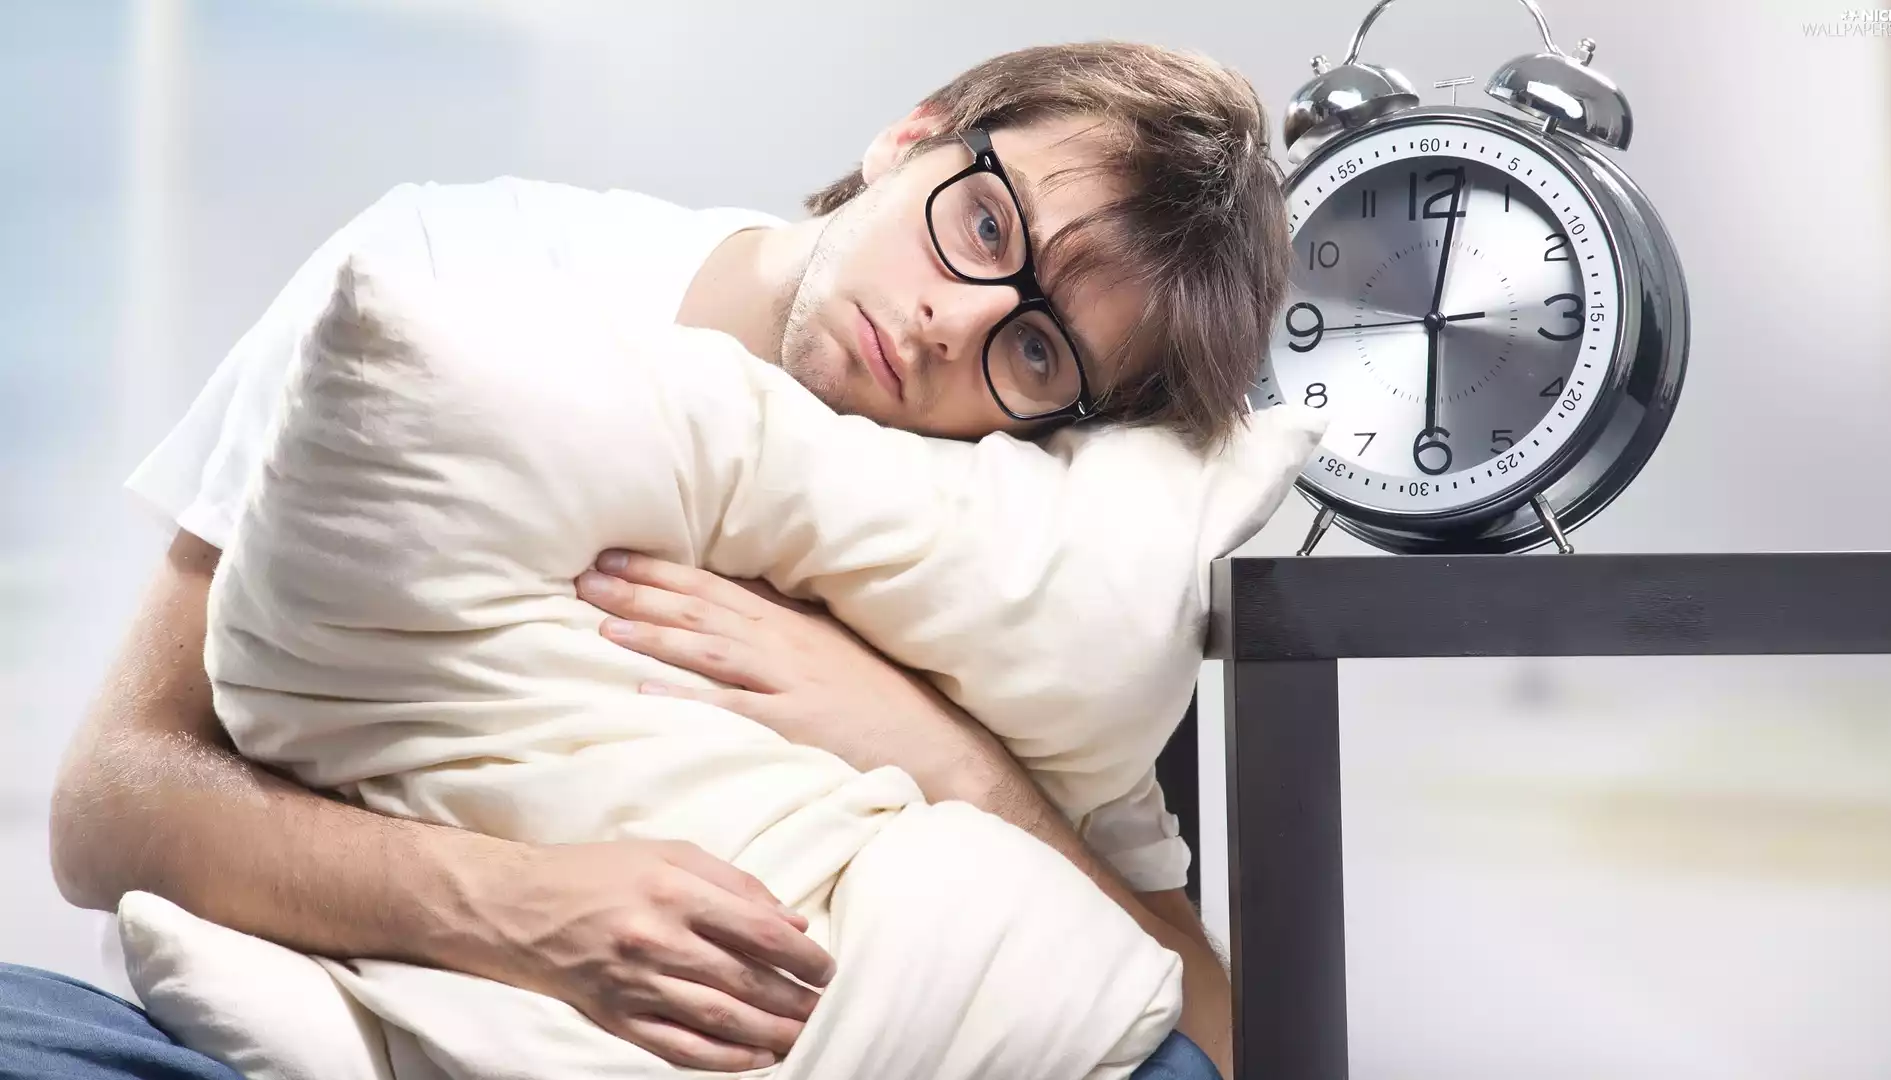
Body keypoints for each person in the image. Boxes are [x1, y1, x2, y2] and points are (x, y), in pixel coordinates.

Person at [12, 40, 1289, 1080]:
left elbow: (1212, 1027)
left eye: (1039, 352)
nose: (954, 322)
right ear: (914, 133)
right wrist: (516, 911)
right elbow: (111, 801)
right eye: (985, 223)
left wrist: (947, 758)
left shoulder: (1007, 540)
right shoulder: (451, 277)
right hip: (309, 1028)